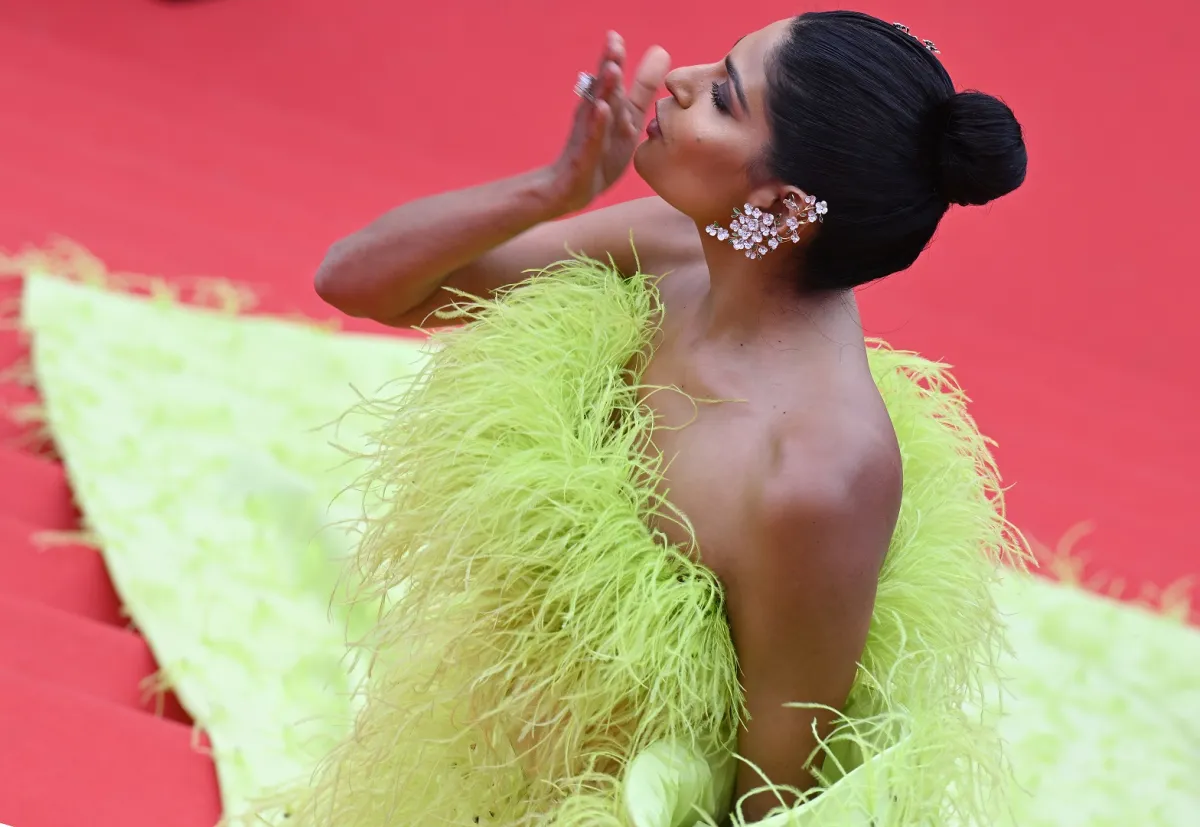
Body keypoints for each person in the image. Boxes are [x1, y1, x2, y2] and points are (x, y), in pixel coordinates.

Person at [302, 10, 1027, 826]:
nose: (676, 80)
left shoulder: (819, 473)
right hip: (481, 751)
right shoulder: (678, 246)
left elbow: (776, 795)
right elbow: (356, 280)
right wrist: (553, 189)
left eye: (722, 96)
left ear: (783, 207)